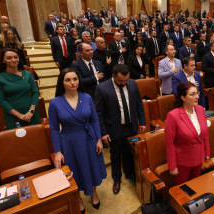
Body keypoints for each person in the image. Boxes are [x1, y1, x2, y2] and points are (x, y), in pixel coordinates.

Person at [49, 68, 106, 214]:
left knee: (91, 166)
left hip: (89, 138)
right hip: (69, 141)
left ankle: (93, 193)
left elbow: (94, 119)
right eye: (68, 80)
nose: (72, 82)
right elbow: (54, 129)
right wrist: (57, 151)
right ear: (62, 83)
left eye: (75, 79)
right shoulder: (55, 103)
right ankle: (78, 198)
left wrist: (99, 139)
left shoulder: (86, 97)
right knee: (75, 170)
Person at [95, 64, 146, 194]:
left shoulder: (133, 83)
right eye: (120, 81)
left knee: (129, 152)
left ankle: (129, 174)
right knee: (116, 155)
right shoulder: (102, 88)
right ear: (113, 76)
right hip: (114, 129)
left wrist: (142, 122)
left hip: (131, 126)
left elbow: (139, 104)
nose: (123, 83)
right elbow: (99, 113)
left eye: (125, 80)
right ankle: (116, 179)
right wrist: (103, 132)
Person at [165, 81, 210, 185]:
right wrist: (172, 166)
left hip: (199, 158)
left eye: (197, 93)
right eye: (192, 94)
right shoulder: (173, 115)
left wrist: (207, 152)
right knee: (183, 191)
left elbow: (205, 134)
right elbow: (169, 143)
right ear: (183, 97)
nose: (197, 97)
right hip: (183, 162)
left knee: (196, 186)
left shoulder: (200, 110)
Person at [0, 49, 40, 129]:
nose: (13, 60)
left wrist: (31, 111)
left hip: (31, 113)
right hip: (13, 116)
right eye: (9, 58)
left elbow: (35, 93)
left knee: (36, 138)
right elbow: (0, 100)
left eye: (16, 57)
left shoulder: (27, 74)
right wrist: (19, 115)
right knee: (18, 140)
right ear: (3, 60)